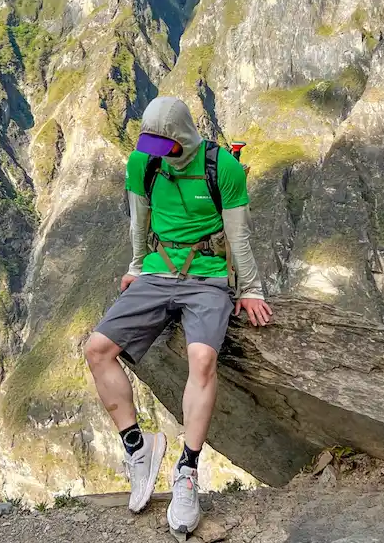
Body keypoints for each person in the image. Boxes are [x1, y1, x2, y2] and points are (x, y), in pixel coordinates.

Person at [85, 96, 272, 536]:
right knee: (97, 350)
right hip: (157, 271)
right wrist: (135, 268)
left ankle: (187, 472)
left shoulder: (221, 167)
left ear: (184, 138)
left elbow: (237, 234)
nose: (156, 154)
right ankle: (138, 447)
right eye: (151, 145)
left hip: (208, 278)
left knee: (203, 360)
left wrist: (249, 290)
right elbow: (138, 221)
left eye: (165, 146)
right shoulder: (143, 164)